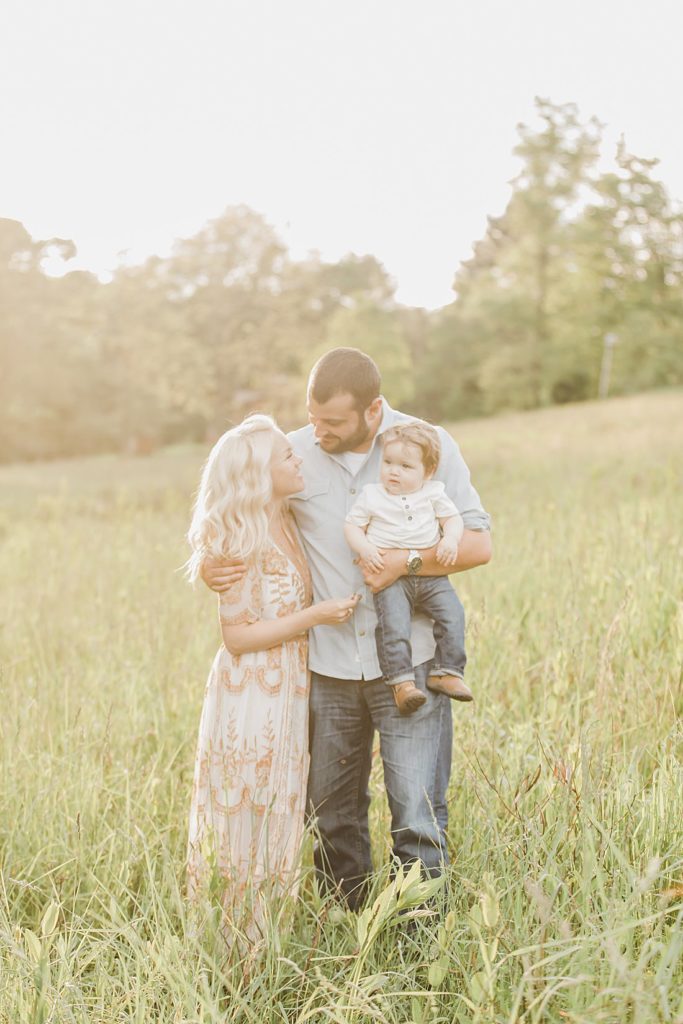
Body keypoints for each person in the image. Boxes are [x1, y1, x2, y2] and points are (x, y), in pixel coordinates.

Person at [204, 350, 491, 910]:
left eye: (333, 422)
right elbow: (237, 512)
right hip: (328, 669)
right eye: (312, 418)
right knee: (331, 816)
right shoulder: (293, 453)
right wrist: (214, 564)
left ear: (373, 410)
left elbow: (478, 544)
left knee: (418, 818)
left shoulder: (428, 445)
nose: (319, 432)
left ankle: (417, 948)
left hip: (413, 664)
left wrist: (405, 562)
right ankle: (347, 932)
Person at [185, 414, 359, 940]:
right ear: (259, 474)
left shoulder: (287, 514)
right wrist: (316, 616)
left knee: (280, 810)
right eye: (286, 456)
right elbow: (236, 636)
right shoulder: (239, 535)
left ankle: (268, 936)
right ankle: (235, 946)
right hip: (251, 691)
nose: (297, 458)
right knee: (248, 809)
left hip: (289, 685)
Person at [344, 420, 473, 715]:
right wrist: (364, 548)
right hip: (390, 579)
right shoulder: (372, 495)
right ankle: (402, 684)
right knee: (394, 626)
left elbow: (452, 520)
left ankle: (447, 671)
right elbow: (352, 526)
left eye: (405, 466)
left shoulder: (433, 493)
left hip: (431, 575)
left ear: (427, 472)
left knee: (453, 614)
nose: (393, 471)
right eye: (388, 462)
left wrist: (451, 539)